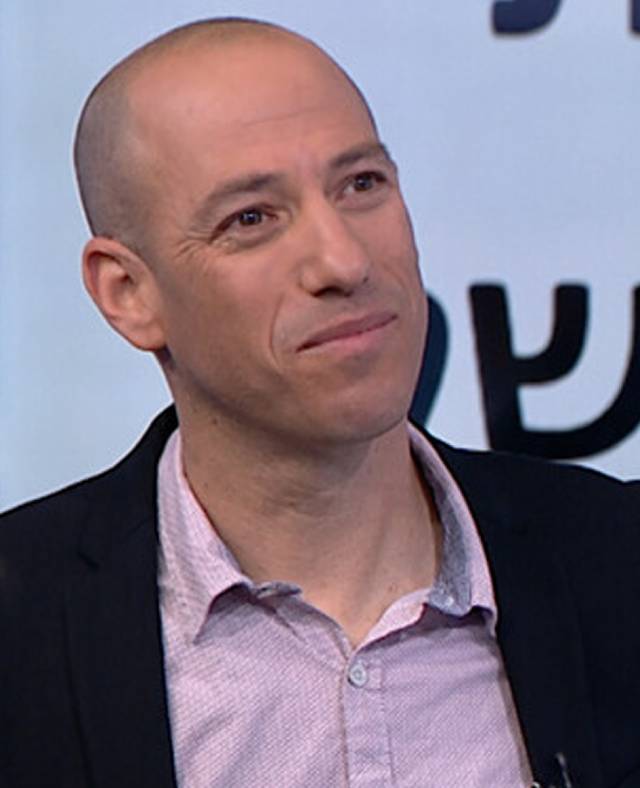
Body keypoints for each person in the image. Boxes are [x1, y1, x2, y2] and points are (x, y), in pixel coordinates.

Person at [1, 17, 639, 788]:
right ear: (128, 292)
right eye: (251, 219)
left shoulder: (615, 559)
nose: (343, 260)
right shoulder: (22, 623)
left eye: (361, 184)